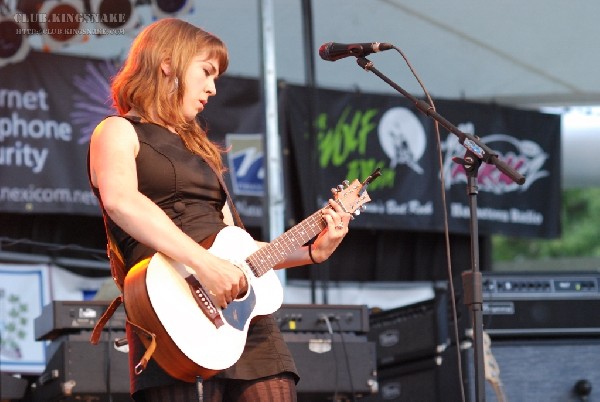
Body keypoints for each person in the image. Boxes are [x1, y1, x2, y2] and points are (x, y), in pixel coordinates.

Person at [87, 18, 352, 402]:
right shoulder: (117, 131)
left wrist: (311, 251)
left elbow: (238, 251)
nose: (212, 88)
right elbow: (121, 201)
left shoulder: (200, 152)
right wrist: (204, 265)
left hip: (241, 316)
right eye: (207, 72)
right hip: (169, 307)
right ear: (167, 62)